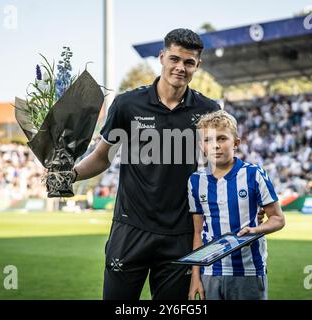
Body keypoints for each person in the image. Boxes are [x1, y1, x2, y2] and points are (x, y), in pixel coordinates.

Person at [72, 28, 221, 300]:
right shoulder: (127, 104)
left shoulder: (208, 109)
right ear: (162, 57)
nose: (180, 67)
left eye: (189, 62)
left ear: (197, 65)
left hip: (181, 233)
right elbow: (102, 156)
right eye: (175, 59)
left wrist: (245, 201)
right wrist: (70, 175)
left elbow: (221, 166)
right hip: (130, 229)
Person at [187, 110, 285, 300]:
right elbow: (198, 232)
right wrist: (195, 278)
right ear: (202, 146)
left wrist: (256, 230)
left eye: (222, 138)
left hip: (248, 271)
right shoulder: (195, 181)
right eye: (208, 140)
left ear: (236, 143)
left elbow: (278, 219)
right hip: (210, 271)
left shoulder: (254, 174)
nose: (215, 145)